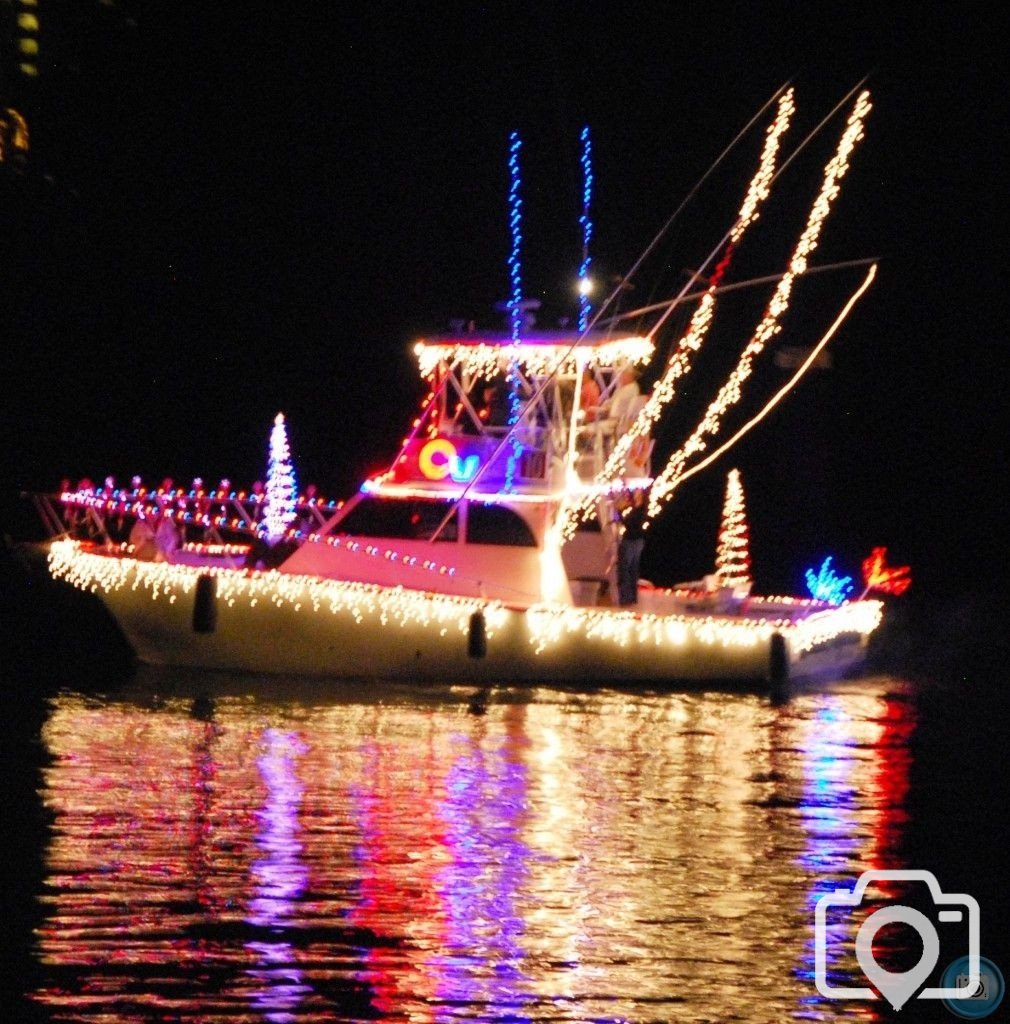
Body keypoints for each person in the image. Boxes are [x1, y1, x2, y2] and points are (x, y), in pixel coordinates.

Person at [617, 488, 647, 606]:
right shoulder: (636, 509)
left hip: (632, 540)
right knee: (630, 569)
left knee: (629, 569)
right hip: (634, 540)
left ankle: (628, 597)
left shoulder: (640, 510)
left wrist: (620, 512)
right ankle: (630, 597)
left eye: (638, 493)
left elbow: (629, 524)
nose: (635, 495)